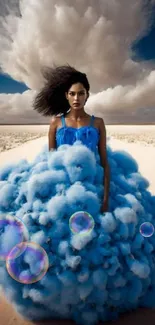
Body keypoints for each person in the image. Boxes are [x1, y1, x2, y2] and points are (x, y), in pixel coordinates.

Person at [33, 64, 110, 213]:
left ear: (87, 95)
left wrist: (106, 199)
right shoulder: (55, 122)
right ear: (66, 95)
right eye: (72, 93)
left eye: (81, 93)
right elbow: (52, 162)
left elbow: (104, 163)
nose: (76, 98)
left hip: (91, 185)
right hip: (61, 188)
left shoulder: (98, 123)